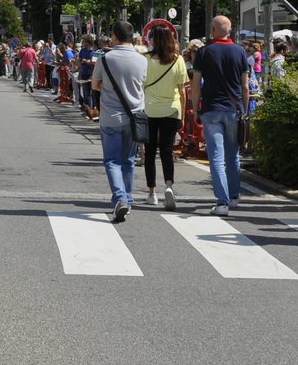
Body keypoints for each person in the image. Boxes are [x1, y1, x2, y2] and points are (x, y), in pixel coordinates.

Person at [190, 15, 248, 215]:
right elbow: (245, 85)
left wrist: (196, 108)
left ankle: (222, 202)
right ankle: (234, 196)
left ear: (213, 30)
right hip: (234, 109)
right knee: (233, 156)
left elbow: (195, 84)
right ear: (230, 31)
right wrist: (245, 110)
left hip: (211, 109)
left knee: (215, 157)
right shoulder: (240, 51)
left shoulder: (204, 52)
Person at [91, 20, 146, 222]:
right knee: (128, 160)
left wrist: (108, 88)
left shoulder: (106, 59)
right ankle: (128, 198)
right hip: (134, 116)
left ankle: (120, 198)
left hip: (111, 116)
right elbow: (142, 85)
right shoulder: (142, 60)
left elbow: (95, 84)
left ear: (114, 36)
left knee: (112, 160)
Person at [142, 23, 186, 211]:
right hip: (171, 109)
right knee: (167, 151)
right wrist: (182, 115)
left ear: (152, 40)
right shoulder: (178, 60)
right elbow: (182, 91)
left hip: (149, 109)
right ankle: (169, 185)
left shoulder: (145, 60)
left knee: (149, 152)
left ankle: (152, 192)